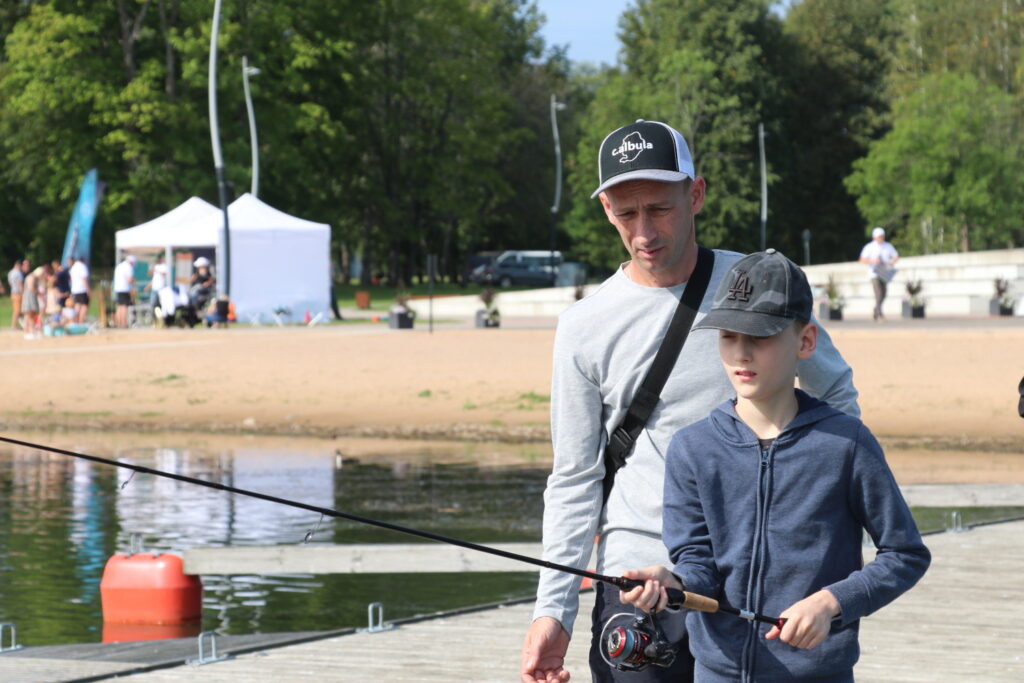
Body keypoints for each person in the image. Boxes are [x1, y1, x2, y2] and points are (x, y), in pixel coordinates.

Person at [520, 120, 860, 683]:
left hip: (755, 578)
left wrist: (811, 516)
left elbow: (837, 396)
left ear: (695, 194)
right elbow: (575, 478)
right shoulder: (582, 327)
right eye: (626, 213)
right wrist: (552, 612)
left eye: (660, 208)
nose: (644, 231)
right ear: (606, 209)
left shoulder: (758, 287)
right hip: (638, 579)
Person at [619, 249, 930, 682]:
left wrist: (831, 603)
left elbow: (904, 554)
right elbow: (698, 564)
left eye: (759, 337)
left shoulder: (847, 444)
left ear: (806, 341)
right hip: (715, 672)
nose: (740, 354)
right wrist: (673, 583)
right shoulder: (692, 448)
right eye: (728, 336)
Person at [858, 227, 899, 321]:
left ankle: (876, 309)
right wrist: (873, 261)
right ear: (874, 237)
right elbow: (862, 260)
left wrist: (892, 261)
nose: (881, 238)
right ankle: (880, 314)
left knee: (884, 293)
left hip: (884, 272)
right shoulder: (869, 247)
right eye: (879, 236)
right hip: (874, 273)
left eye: (882, 236)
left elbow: (896, 256)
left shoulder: (888, 246)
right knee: (878, 293)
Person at [113, 254, 137, 328]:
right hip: (124, 288)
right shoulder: (128, 267)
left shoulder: (119, 266)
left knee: (120, 306)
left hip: (118, 288)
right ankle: (123, 323)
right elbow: (129, 279)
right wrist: (134, 281)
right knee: (124, 306)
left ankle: (118, 322)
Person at [69, 256, 91, 323]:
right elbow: (84, 279)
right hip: (82, 289)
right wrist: (88, 289)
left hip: (74, 290)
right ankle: (81, 321)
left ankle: (75, 322)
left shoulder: (73, 267)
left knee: (77, 306)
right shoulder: (82, 266)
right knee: (84, 306)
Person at [7, 259, 27, 329]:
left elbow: (10, 283)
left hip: (13, 292)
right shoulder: (18, 273)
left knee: (16, 309)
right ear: (19, 265)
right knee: (17, 310)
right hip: (18, 293)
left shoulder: (10, 272)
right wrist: (23, 293)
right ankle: (14, 325)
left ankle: (20, 324)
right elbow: (20, 284)